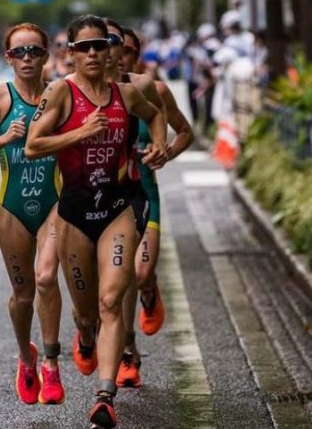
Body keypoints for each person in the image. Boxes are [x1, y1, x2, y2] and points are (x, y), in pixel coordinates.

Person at [25, 14, 167, 429]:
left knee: (110, 301)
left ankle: (105, 397)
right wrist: (80, 134)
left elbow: (156, 114)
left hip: (117, 211)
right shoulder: (60, 92)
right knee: (86, 314)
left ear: (111, 51)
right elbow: (34, 145)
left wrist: (158, 145)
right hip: (73, 214)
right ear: (71, 53)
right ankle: (85, 340)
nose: (92, 53)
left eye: (99, 46)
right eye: (83, 47)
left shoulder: (126, 94)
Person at [0, 23, 65, 406]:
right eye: (18, 52)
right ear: (8, 58)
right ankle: (27, 358)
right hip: (13, 206)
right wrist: (4, 138)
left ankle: (52, 367)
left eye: (34, 51)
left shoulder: (59, 94)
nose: (27, 59)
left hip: (55, 200)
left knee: (46, 277)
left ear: (45, 56)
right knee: (22, 297)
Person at [116, 26, 194, 388]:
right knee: (116, 284)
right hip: (104, 201)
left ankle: (150, 291)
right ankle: (127, 353)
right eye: (111, 46)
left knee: (141, 274)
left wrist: (165, 154)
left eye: (127, 49)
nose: (119, 54)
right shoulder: (86, 93)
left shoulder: (154, 91)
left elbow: (185, 132)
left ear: (137, 53)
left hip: (144, 194)